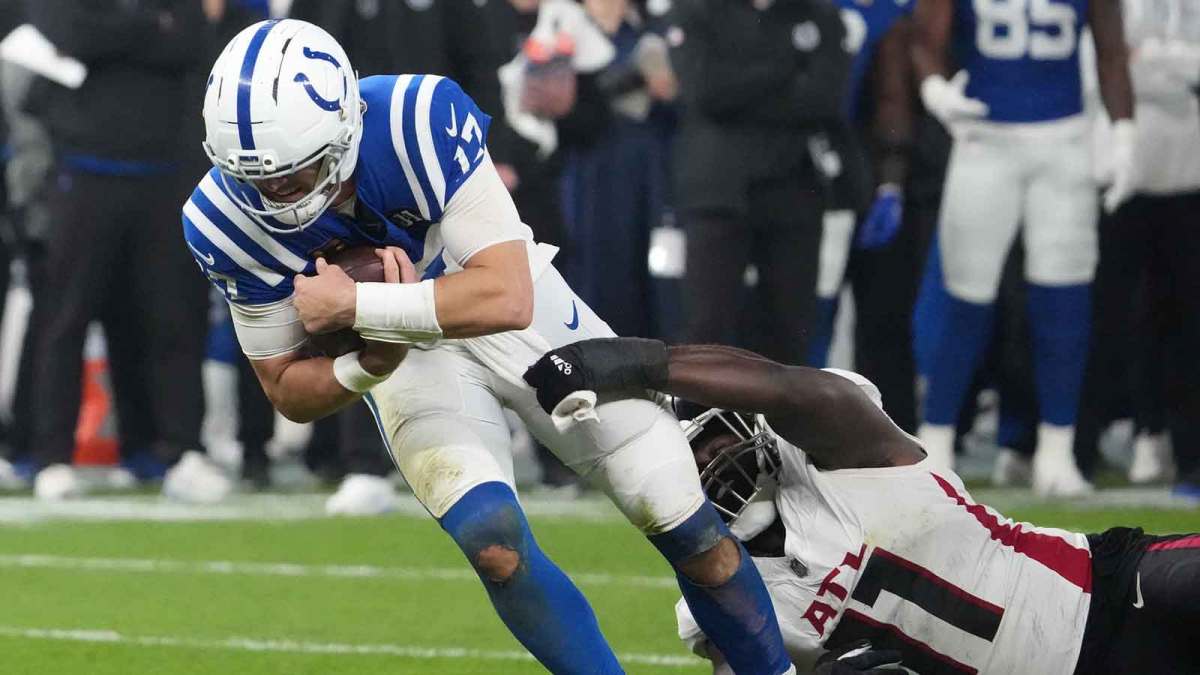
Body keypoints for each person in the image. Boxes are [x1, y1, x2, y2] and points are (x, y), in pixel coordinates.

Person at [183, 19, 795, 674]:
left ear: (342, 129)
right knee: (492, 543)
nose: (268, 195)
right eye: (252, 179)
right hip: (406, 353)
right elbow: (284, 388)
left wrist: (358, 306)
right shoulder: (221, 221)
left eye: (288, 175)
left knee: (680, 513)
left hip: (501, 308)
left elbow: (506, 295)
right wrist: (369, 360)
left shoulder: (415, 117)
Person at [524, 337, 1200, 673]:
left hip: (1106, 587)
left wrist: (637, 362)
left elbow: (789, 388)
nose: (711, 458)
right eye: (690, 458)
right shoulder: (711, 596)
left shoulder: (835, 447)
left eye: (712, 434)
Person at [911, 0, 1135, 496]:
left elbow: (1112, 51)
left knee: (1064, 298)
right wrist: (936, 91)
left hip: (1065, 138)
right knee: (965, 290)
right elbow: (925, 39)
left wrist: (1123, 133)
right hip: (983, 135)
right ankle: (937, 441)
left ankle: (1057, 451)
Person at [26, 0, 228, 502]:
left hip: (163, 173)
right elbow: (68, 29)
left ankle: (178, 450)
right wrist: (146, 28)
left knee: (171, 319)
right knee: (66, 317)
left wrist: (117, 33)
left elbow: (190, 40)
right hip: (83, 170)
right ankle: (52, 455)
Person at [667, 0, 850, 365]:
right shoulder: (696, 10)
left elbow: (825, 98)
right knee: (707, 325)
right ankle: (700, 420)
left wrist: (740, 83)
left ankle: (779, 423)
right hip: (716, 189)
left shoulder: (819, 13)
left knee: (790, 326)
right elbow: (705, 92)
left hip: (794, 187)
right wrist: (785, 67)